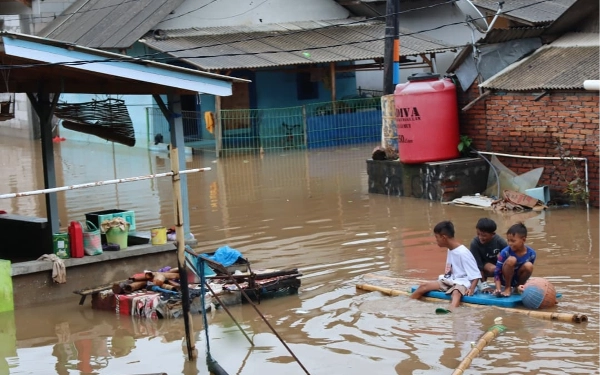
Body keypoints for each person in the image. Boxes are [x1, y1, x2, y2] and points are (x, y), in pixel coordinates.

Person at [411, 221, 481, 310]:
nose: (436, 240)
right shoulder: (450, 249)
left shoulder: (463, 252)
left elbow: (476, 275)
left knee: (455, 293)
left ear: (444, 238)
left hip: (464, 283)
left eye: (437, 237)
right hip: (451, 280)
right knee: (423, 286)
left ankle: (450, 311)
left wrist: (471, 289)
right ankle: (407, 304)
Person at [494, 223, 536, 297]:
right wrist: (498, 289)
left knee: (529, 266)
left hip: (518, 278)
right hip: (505, 279)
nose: (510, 243)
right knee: (511, 260)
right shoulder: (505, 252)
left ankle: (517, 287)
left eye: (513, 241)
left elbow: (528, 272)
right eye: (508, 240)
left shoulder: (531, 254)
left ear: (523, 240)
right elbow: (497, 272)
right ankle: (507, 287)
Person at [469, 218, 508, 284]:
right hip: (481, 264)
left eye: (484, 235)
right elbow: (477, 265)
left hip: (496, 264)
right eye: (478, 234)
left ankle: (506, 283)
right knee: (492, 268)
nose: (480, 237)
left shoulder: (500, 242)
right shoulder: (474, 243)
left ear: (493, 234)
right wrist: (484, 285)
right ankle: (483, 283)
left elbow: (508, 260)